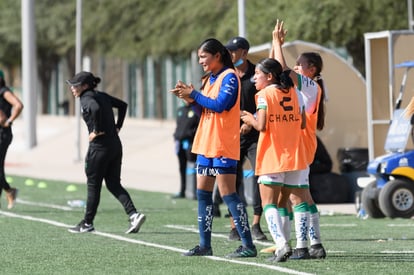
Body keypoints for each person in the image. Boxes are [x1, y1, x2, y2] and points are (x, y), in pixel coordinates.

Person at [170, 38, 257, 258]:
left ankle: (248, 244)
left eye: (203, 56)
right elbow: (205, 112)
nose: (200, 61)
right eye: (199, 57)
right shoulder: (211, 79)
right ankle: (204, 245)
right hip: (206, 144)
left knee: (228, 194)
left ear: (217, 56)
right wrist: (191, 100)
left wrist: (195, 94)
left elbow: (221, 105)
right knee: (203, 195)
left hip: (222, 144)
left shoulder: (230, 76)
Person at [241, 57, 306, 262]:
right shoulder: (294, 92)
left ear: (269, 77)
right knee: (283, 202)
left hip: (273, 154)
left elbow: (261, 125)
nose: (254, 78)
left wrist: (248, 118)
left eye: (257, 75)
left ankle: (282, 244)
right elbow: (303, 123)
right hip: (294, 154)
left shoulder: (264, 94)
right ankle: (287, 245)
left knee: (269, 203)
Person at [271, 19, 327, 259]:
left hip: (300, 146)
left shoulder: (311, 86)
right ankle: (315, 244)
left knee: (295, 197)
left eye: (299, 64)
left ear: (311, 69)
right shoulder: (303, 87)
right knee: (300, 196)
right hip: (297, 145)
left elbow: (283, 72)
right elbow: (276, 71)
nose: (295, 67)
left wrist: (277, 43)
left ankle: (303, 247)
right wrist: (276, 45)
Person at [66, 71, 146, 234]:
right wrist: (118, 126)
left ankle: (87, 223)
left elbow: (94, 109)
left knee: (93, 185)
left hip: (99, 148)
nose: (72, 88)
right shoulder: (101, 95)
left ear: (85, 86)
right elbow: (123, 105)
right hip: (115, 145)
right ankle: (133, 215)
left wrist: (96, 130)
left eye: (75, 85)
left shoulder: (86, 98)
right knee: (113, 183)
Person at [220, 36, 267, 241]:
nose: (230, 54)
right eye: (228, 51)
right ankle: (235, 225)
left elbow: (267, 103)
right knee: (232, 180)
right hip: (231, 137)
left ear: (244, 53)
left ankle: (256, 224)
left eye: (233, 50)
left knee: (260, 176)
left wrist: (251, 122)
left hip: (256, 135)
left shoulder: (258, 75)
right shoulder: (225, 75)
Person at [0, 70, 23, 209]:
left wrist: (9, 121)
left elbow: (19, 105)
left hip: (3, 133)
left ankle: (9, 190)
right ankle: (9, 191)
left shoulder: (3, 91)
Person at [172, 100, 199, 199]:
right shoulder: (180, 110)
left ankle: (195, 191)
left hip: (190, 143)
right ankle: (182, 190)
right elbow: (178, 126)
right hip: (180, 143)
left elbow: (197, 128)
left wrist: (190, 136)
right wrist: (176, 137)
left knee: (193, 167)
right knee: (182, 168)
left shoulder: (196, 110)